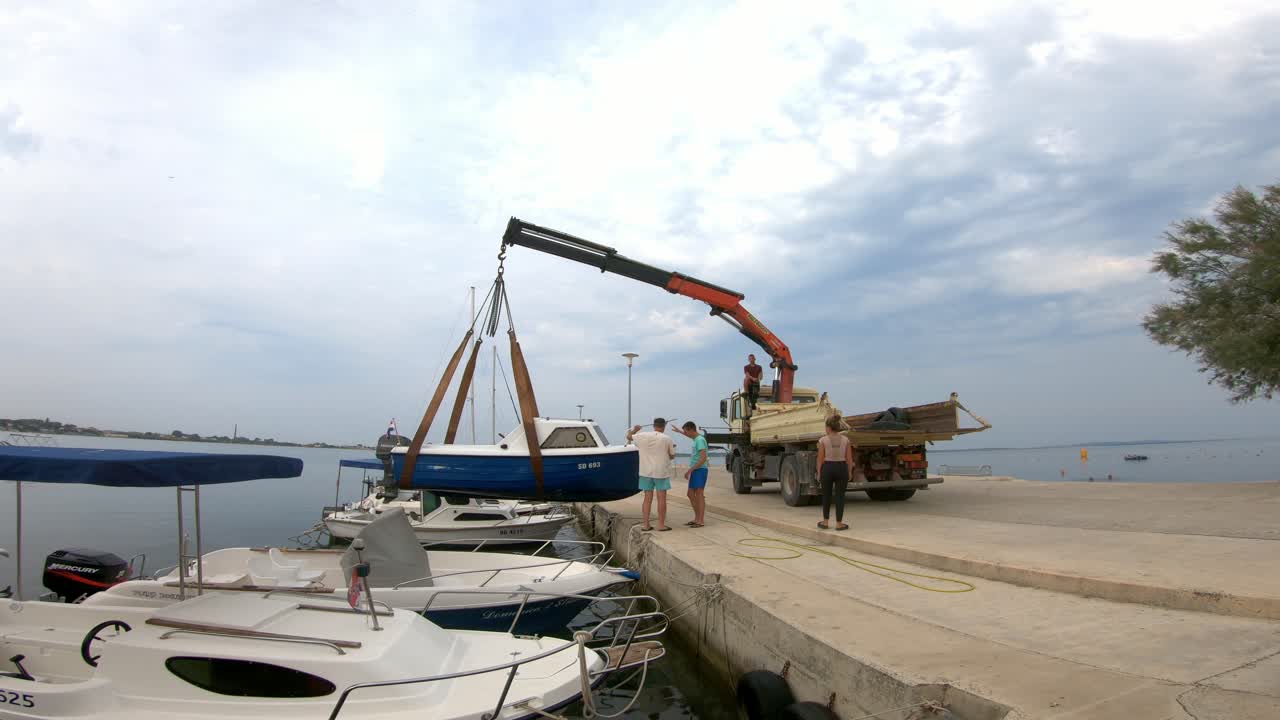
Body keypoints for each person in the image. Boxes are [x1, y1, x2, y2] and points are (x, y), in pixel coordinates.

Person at [626, 418, 675, 532]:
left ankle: (646, 525)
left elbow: (628, 437)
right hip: (661, 472)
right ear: (664, 425)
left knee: (647, 499)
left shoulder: (642, 435)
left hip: (645, 472)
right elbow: (672, 455)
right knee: (661, 498)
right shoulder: (667, 438)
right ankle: (661, 525)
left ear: (653, 425)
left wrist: (635, 430)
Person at [815, 414, 854, 530]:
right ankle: (839, 523)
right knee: (840, 496)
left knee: (826, 495)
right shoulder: (846, 440)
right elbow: (849, 459)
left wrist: (819, 472)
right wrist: (850, 472)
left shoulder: (823, 440)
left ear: (829, 428)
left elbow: (820, 459)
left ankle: (825, 522)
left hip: (827, 467)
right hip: (841, 468)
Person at [680, 421, 709, 527]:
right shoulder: (696, 439)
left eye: (685, 431)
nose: (685, 434)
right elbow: (689, 435)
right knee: (690, 494)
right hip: (696, 470)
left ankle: (700, 520)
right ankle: (697, 518)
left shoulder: (700, 440)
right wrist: (679, 431)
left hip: (700, 470)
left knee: (699, 494)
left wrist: (690, 470)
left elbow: (703, 458)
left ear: (691, 430)